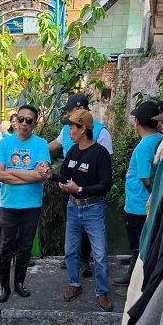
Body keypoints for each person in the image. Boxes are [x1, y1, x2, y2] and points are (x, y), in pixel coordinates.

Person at [47, 108, 113, 310]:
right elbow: (66, 174)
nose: (68, 131)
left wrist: (80, 189)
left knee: (100, 254)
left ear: (83, 129)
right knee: (70, 251)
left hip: (93, 208)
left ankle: (102, 293)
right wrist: (51, 176)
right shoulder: (73, 151)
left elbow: (106, 185)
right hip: (73, 207)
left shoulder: (99, 153)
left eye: (71, 127)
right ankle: (74, 284)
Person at [0, 104, 51, 303]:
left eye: (29, 120)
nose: (23, 123)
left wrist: (11, 172)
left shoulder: (41, 144)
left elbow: (41, 176)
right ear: (15, 120)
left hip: (31, 205)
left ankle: (19, 283)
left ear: (34, 124)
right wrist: (29, 175)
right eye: (20, 118)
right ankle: (4, 288)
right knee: (6, 247)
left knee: (25, 247)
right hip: (9, 205)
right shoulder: (4, 144)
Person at [115, 101, 163, 286]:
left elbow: (145, 179)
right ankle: (133, 277)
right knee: (143, 246)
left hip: (139, 205)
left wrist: (155, 196)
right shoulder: (160, 139)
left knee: (139, 247)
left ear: (136, 121)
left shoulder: (144, 146)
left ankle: (136, 286)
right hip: (146, 205)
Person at [48, 94, 114, 156]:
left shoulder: (101, 133)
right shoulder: (66, 128)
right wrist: (39, 148)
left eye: (70, 110)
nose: (67, 114)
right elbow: (56, 143)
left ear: (81, 109)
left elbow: (105, 161)